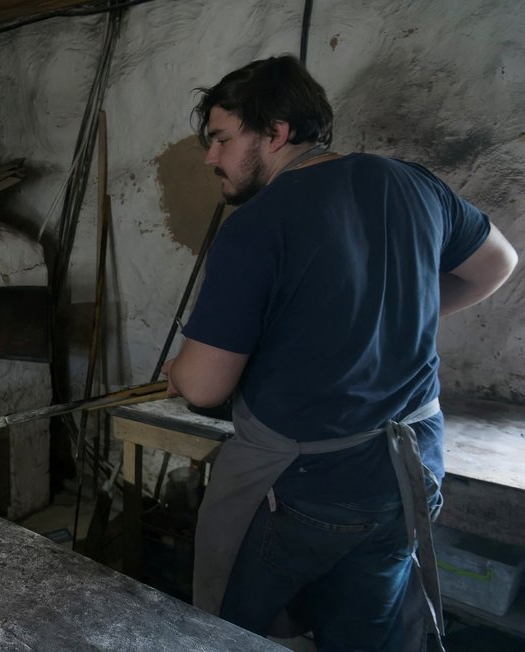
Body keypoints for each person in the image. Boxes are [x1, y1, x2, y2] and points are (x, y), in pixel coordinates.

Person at [162, 55, 518, 651]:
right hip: (408, 472)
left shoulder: (256, 226)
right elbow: (498, 264)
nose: (210, 158)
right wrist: (398, 316)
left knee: (230, 627)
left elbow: (203, 388)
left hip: (306, 482)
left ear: (275, 133)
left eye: (222, 139)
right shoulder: (413, 183)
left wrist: (179, 369)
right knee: (368, 631)